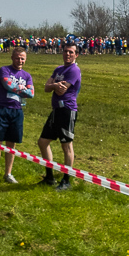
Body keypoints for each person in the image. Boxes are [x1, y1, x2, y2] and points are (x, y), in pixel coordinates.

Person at [0, 47, 34, 186]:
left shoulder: (27, 76)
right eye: (17, 58)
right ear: (12, 58)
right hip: (1, 109)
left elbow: (31, 94)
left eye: (22, 58)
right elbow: (7, 85)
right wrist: (23, 89)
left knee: (11, 143)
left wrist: (19, 88)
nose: (20, 61)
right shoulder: (4, 70)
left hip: (17, 111)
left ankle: (8, 173)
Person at [38, 42, 81, 191]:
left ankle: (66, 179)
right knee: (43, 142)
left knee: (66, 145)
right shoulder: (58, 69)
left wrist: (53, 85)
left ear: (76, 55)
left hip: (67, 110)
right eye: (65, 51)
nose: (67, 54)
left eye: (70, 52)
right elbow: (46, 88)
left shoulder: (74, 70)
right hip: (56, 110)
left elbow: (61, 91)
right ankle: (49, 177)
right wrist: (55, 85)